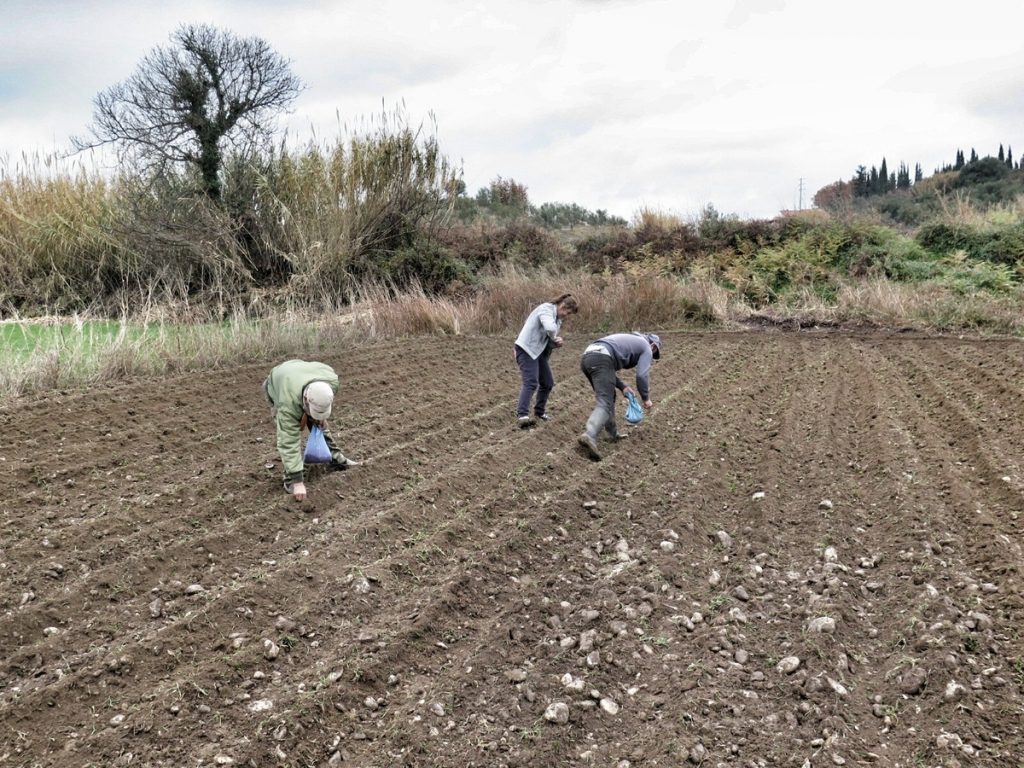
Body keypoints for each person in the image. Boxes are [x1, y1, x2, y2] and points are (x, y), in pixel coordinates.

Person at [261, 359, 359, 501]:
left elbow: (321, 402)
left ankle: (336, 459)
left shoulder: (331, 381)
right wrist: (298, 482)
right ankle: (291, 479)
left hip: (299, 375)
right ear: (306, 400)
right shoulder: (287, 404)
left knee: (318, 425)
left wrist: (320, 417)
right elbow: (288, 441)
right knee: (289, 432)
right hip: (278, 382)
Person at [577, 332, 661, 460]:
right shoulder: (646, 347)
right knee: (605, 401)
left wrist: (622, 386)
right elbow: (641, 375)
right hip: (602, 358)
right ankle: (590, 434)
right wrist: (646, 398)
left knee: (609, 397)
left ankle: (612, 433)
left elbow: (605, 368)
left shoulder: (630, 340)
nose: (651, 356)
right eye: (653, 354)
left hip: (588, 356)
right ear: (654, 346)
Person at [513, 293, 580, 427]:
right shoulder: (546, 309)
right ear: (562, 306)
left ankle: (539, 412)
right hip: (526, 349)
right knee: (531, 382)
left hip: (538, 352)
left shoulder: (557, 319)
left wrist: (556, 343)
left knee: (548, 382)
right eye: (567, 312)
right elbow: (549, 328)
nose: (567, 315)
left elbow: (548, 340)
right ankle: (522, 416)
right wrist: (555, 336)